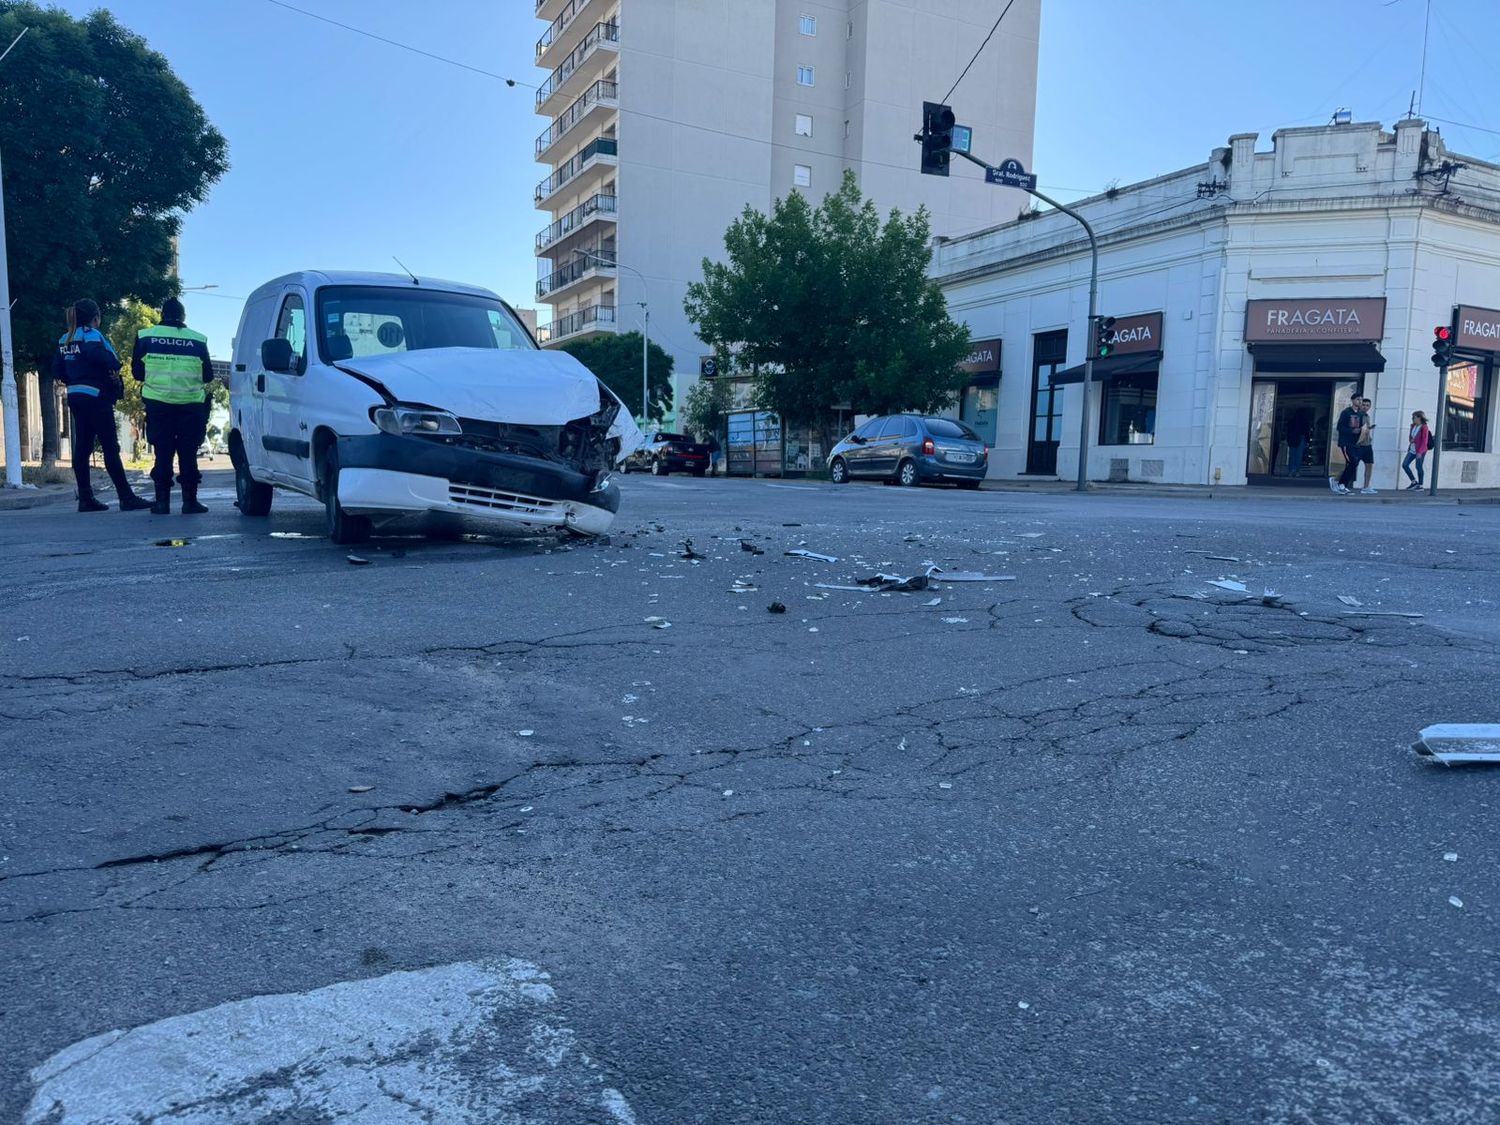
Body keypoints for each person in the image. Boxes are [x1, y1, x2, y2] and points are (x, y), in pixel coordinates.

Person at [52, 299, 150, 513]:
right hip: (96, 396)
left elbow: (57, 370)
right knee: (110, 447)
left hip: (76, 396)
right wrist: (112, 368)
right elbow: (106, 359)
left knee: (83, 448)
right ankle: (126, 497)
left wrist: (75, 379)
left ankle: (85, 498)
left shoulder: (64, 339)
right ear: (96, 317)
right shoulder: (92, 336)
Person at [132, 297, 215, 514]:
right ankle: (190, 502)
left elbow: (137, 373)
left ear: (162, 315)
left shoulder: (146, 337)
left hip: (158, 405)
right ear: (183, 317)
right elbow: (207, 376)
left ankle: (161, 503)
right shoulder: (198, 340)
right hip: (191, 406)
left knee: (163, 452)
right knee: (188, 453)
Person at [1331, 395, 1367, 495]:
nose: (1360, 402)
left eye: (1361, 400)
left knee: (1353, 463)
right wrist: (1351, 431)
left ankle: (1342, 484)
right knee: (1353, 462)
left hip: (1355, 443)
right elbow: (1339, 427)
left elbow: (1360, 428)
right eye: (1358, 399)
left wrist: (1362, 432)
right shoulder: (1346, 412)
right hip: (1346, 442)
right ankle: (1340, 484)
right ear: (1352, 401)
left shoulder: (1360, 414)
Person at [1403, 410, 1432, 490]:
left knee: (1418, 466)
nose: (1413, 419)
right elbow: (1411, 436)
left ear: (1419, 418)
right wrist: (1411, 440)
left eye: (1414, 417)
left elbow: (1424, 440)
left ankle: (1420, 485)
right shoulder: (1413, 426)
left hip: (1420, 450)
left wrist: (1420, 452)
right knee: (1405, 465)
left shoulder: (1424, 427)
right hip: (1412, 449)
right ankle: (1413, 482)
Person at [1354, 397, 1378, 494]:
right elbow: (1355, 429)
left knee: (1369, 465)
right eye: (1363, 405)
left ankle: (1366, 486)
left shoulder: (1367, 416)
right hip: (1359, 445)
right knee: (1352, 464)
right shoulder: (1357, 416)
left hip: (1367, 444)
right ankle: (1338, 480)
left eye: (1367, 405)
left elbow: (1365, 429)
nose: (1365, 407)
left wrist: (1369, 428)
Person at [1284, 409, 1311, 478]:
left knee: (1292, 455)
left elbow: (1288, 431)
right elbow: (1307, 432)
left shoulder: (1291, 421)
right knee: (1299, 456)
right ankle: (1297, 471)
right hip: (1301, 438)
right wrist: (1307, 441)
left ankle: (1291, 471)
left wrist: (1288, 439)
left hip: (1292, 438)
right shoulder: (1305, 421)